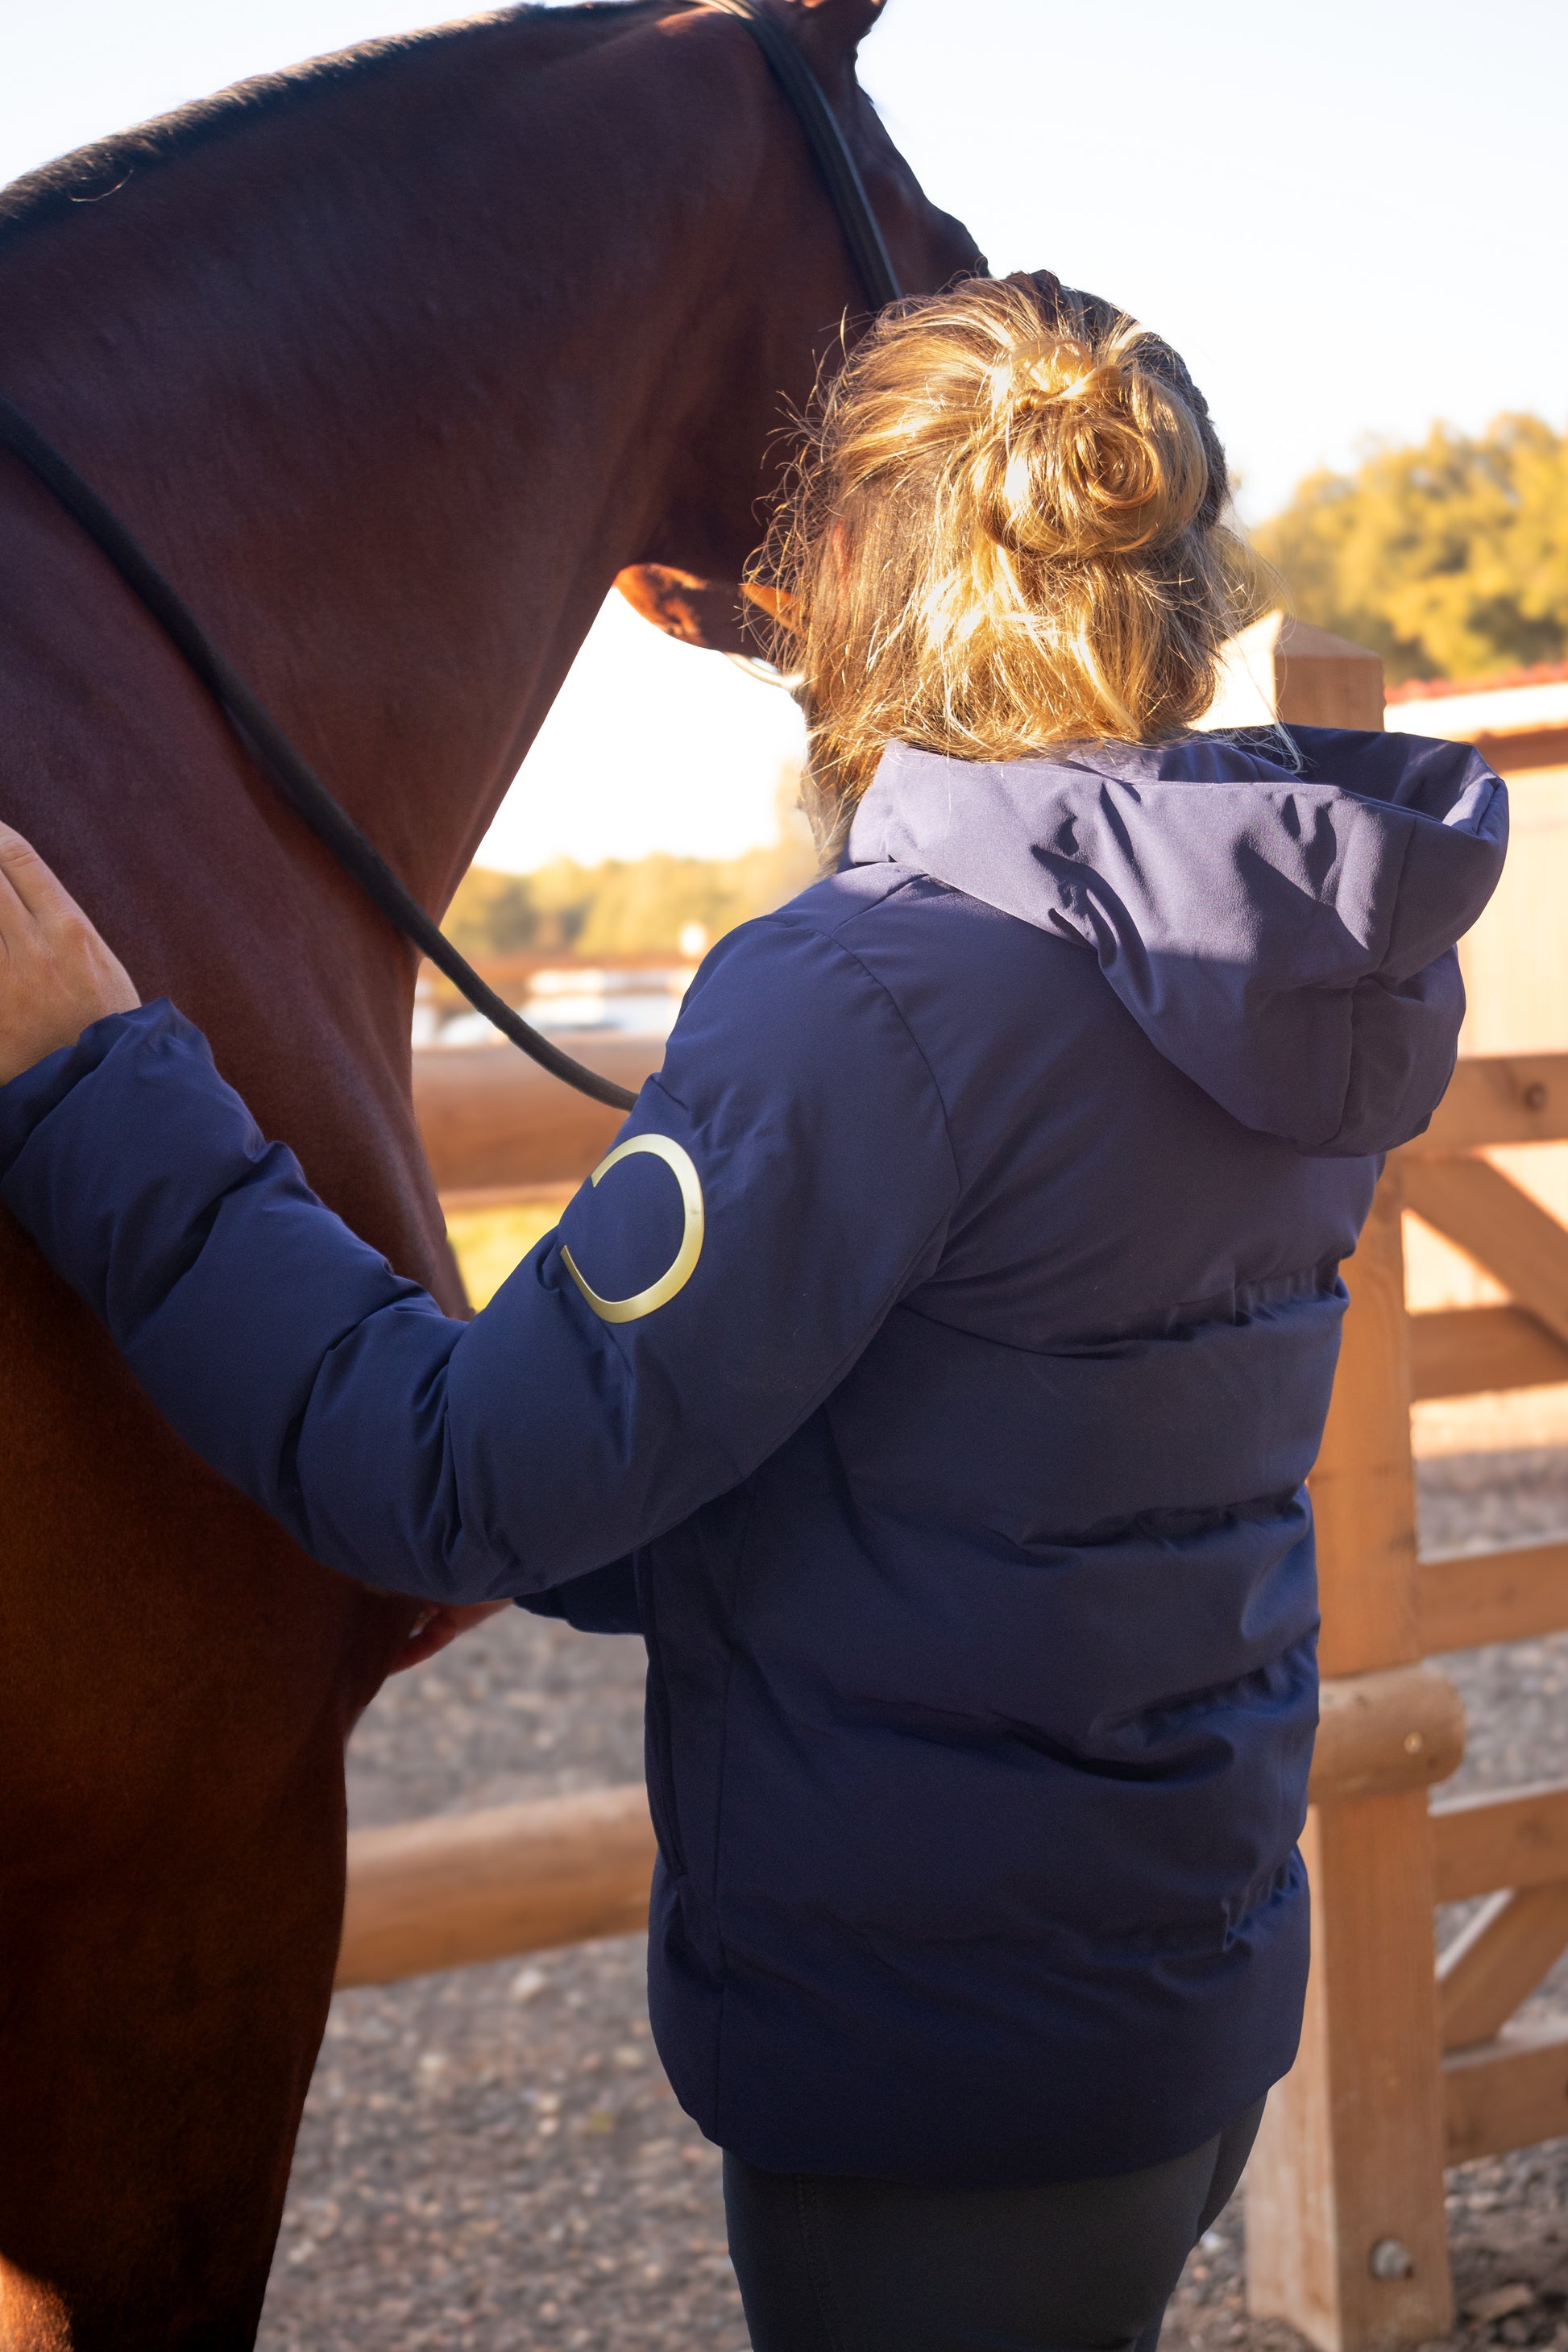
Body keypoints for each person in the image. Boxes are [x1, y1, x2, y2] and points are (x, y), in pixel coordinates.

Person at [0, 272, 1506, 2352]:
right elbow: (933, 1448)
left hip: (928, 2094)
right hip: (1175, 2012)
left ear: (854, 575)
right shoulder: (1277, 964)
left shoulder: (871, 992)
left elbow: (452, 1479)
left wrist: (92, 1078)